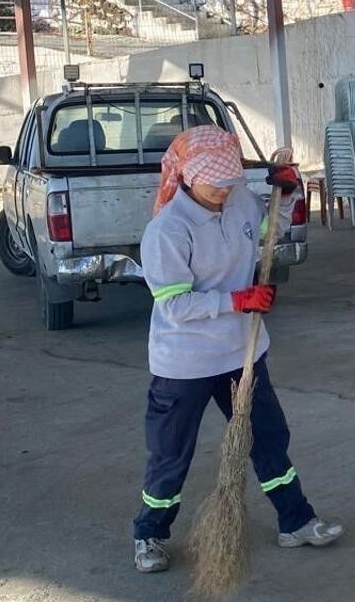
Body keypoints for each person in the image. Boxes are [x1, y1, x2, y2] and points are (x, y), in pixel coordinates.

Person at [132, 125, 343, 573]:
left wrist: (285, 195)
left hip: (241, 352)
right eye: (215, 183)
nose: (224, 191)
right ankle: (149, 534)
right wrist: (237, 300)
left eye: (231, 182)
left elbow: (270, 231)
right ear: (189, 177)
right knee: (171, 453)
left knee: (268, 439)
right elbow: (174, 304)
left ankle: (295, 521)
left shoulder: (240, 199)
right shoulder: (167, 231)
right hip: (185, 361)